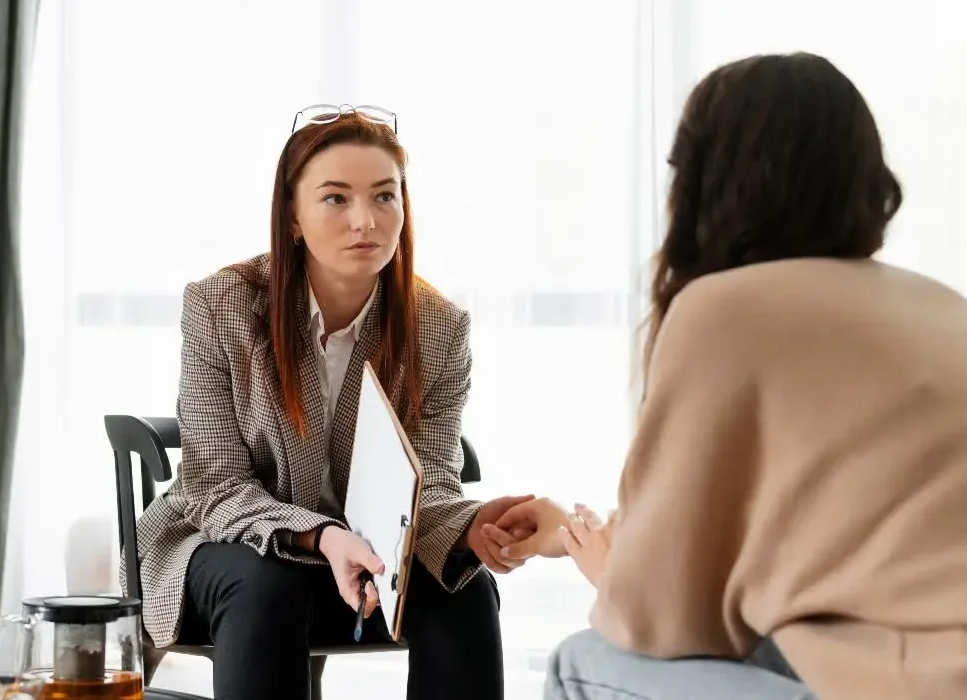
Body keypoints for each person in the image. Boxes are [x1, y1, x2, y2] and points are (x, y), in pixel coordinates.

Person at [487, 53, 967, 700]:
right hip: (921, 658)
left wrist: (607, 571)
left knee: (583, 660)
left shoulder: (725, 309)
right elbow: (784, 538)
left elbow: (666, 618)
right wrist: (592, 537)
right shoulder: (938, 303)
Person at [132, 105, 532, 700]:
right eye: (336, 199)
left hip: (370, 562)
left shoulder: (439, 327)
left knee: (465, 587)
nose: (365, 221)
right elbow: (212, 487)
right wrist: (321, 536)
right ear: (293, 218)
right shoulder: (221, 306)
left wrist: (470, 526)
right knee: (267, 585)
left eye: (384, 196)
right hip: (230, 548)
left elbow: (431, 481)